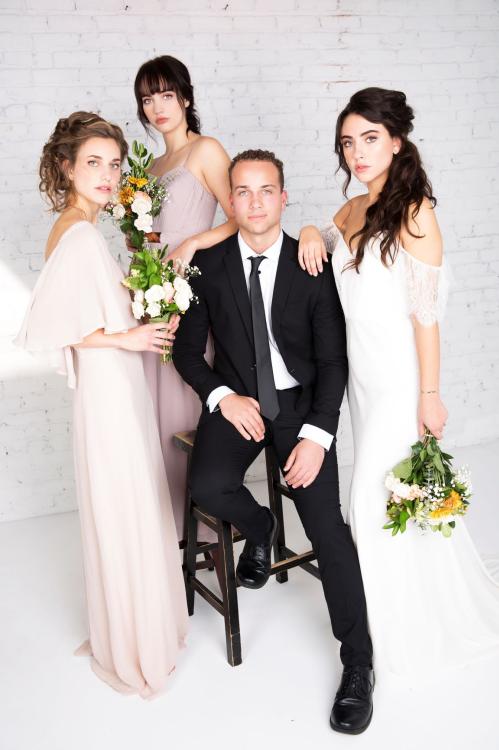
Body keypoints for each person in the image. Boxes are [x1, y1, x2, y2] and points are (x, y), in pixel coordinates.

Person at [298, 88, 499, 679]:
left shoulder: (415, 210)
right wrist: (311, 227)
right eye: (347, 142)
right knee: (390, 499)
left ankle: (393, 626)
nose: (356, 152)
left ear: (396, 141)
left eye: (368, 138)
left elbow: (426, 312)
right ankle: (388, 611)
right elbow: (327, 250)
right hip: (361, 376)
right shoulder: (353, 210)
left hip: (399, 379)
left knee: (374, 497)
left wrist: (429, 395)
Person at [173, 149, 375, 735]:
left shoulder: (310, 262)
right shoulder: (209, 265)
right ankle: (260, 529)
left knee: (327, 530)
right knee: (209, 483)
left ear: (284, 198)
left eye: (267, 191)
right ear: (229, 200)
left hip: (300, 409)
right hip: (240, 399)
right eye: (243, 192)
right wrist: (223, 399)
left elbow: (334, 361)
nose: (255, 202)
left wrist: (316, 437)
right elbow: (188, 351)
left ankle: (358, 663)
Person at [15, 112, 189, 698]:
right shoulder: (81, 232)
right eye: (94, 163)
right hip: (109, 389)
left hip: (114, 386)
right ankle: (132, 642)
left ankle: (132, 629)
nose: (108, 173)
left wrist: (145, 313)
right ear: (66, 167)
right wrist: (128, 339)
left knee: (128, 500)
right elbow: (49, 325)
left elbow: (86, 314)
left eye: (115, 164)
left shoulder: (84, 228)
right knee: (126, 502)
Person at [134, 55, 238, 541]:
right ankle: (168, 533)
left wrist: (193, 241)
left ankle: (202, 531)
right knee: (155, 408)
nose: (157, 107)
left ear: (186, 98)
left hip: (196, 293)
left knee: (185, 404)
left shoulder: (206, 150)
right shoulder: (152, 165)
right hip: (155, 294)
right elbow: (151, 234)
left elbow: (245, 218)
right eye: (147, 98)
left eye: (166, 95)